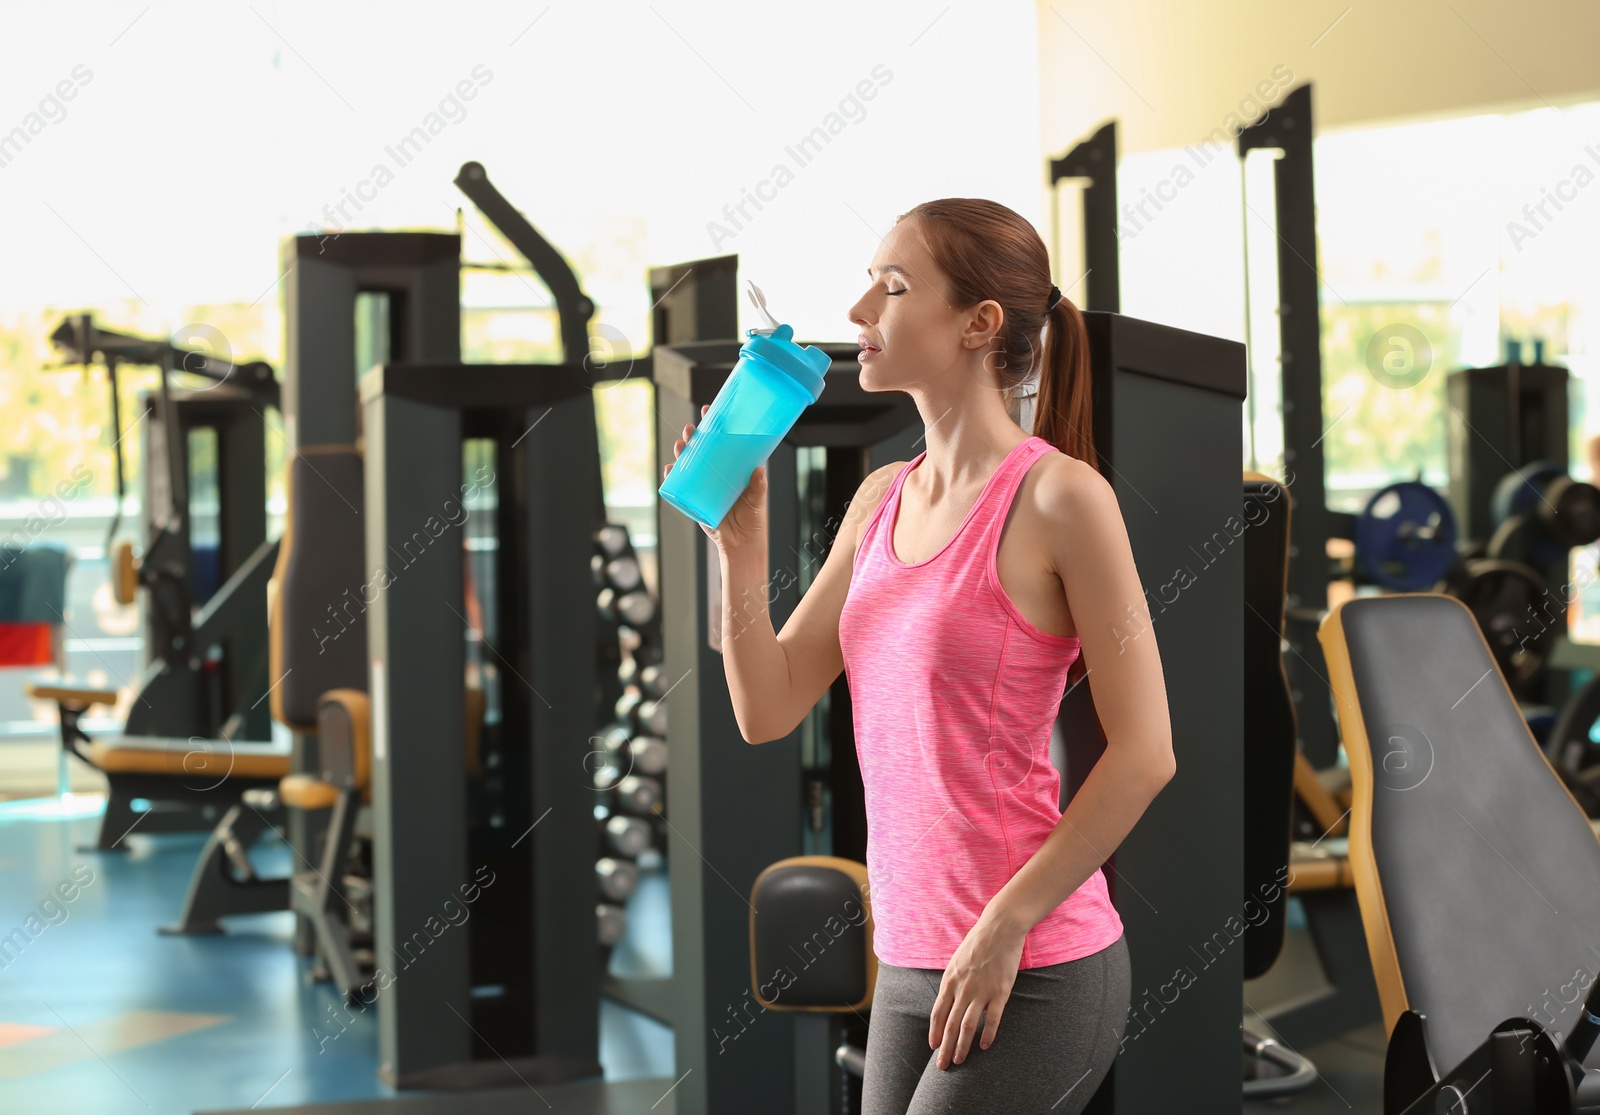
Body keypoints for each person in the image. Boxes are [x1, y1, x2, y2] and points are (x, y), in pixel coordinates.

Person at [662, 198, 1176, 1114]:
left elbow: (1146, 752)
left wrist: (1004, 924)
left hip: (1034, 955)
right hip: (907, 950)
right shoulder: (879, 499)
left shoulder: (1063, 498)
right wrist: (736, 550)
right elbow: (766, 707)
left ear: (980, 324)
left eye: (891, 288)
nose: (860, 312)